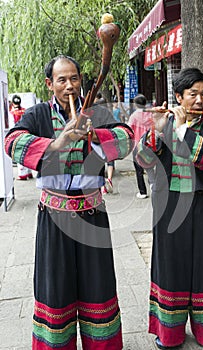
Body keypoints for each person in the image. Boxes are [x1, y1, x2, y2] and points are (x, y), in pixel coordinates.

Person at [5, 54, 134, 350]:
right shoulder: (38, 114)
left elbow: (126, 137)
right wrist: (57, 142)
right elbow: (12, 142)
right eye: (62, 80)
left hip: (92, 215)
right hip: (54, 218)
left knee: (98, 287)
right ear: (50, 84)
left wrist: (96, 135)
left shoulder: (96, 113)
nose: (69, 86)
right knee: (56, 290)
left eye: (74, 79)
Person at [135, 68, 203, 349]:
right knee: (169, 267)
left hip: (201, 204)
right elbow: (143, 159)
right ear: (178, 97)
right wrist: (155, 130)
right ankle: (170, 333)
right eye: (192, 94)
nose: (199, 100)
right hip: (169, 206)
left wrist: (180, 129)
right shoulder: (165, 125)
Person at [128, 94, 155, 199]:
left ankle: (143, 192)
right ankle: (154, 186)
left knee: (139, 170)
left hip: (137, 145)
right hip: (148, 145)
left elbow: (129, 130)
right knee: (150, 166)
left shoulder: (134, 116)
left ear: (135, 104)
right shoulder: (150, 114)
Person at [9, 94, 33, 180]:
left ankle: (23, 174)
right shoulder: (24, 111)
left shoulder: (11, 113)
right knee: (28, 152)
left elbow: (11, 125)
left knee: (20, 153)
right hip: (27, 133)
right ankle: (29, 173)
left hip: (18, 134)